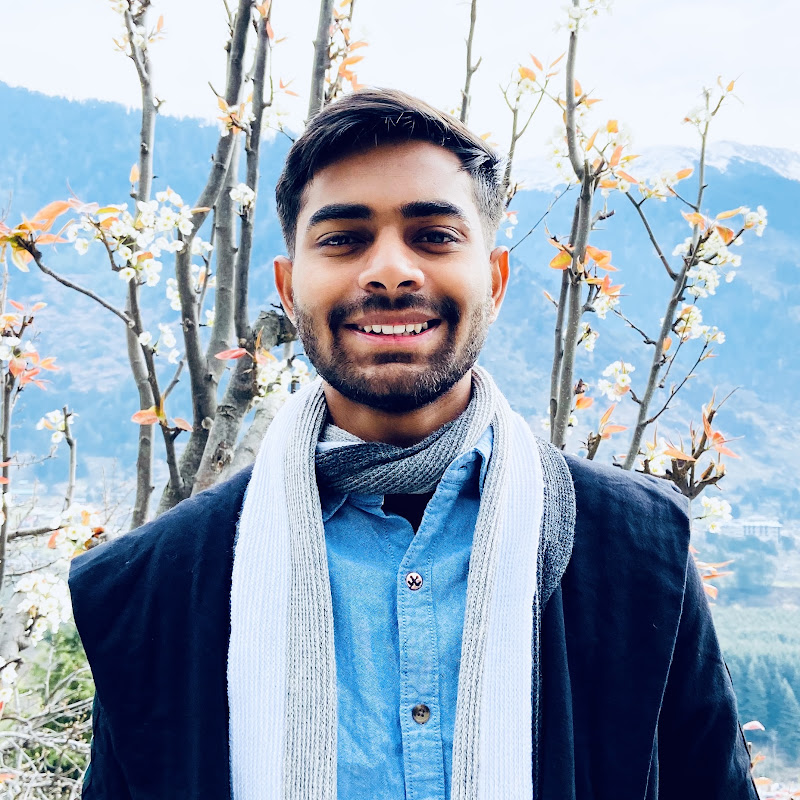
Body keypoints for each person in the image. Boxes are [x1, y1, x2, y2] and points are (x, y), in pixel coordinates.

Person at [69, 88, 757, 800]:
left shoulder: (638, 552)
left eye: (434, 235)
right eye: (343, 239)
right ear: (289, 286)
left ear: (495, 279)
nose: (391, 270)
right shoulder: (148, 592)